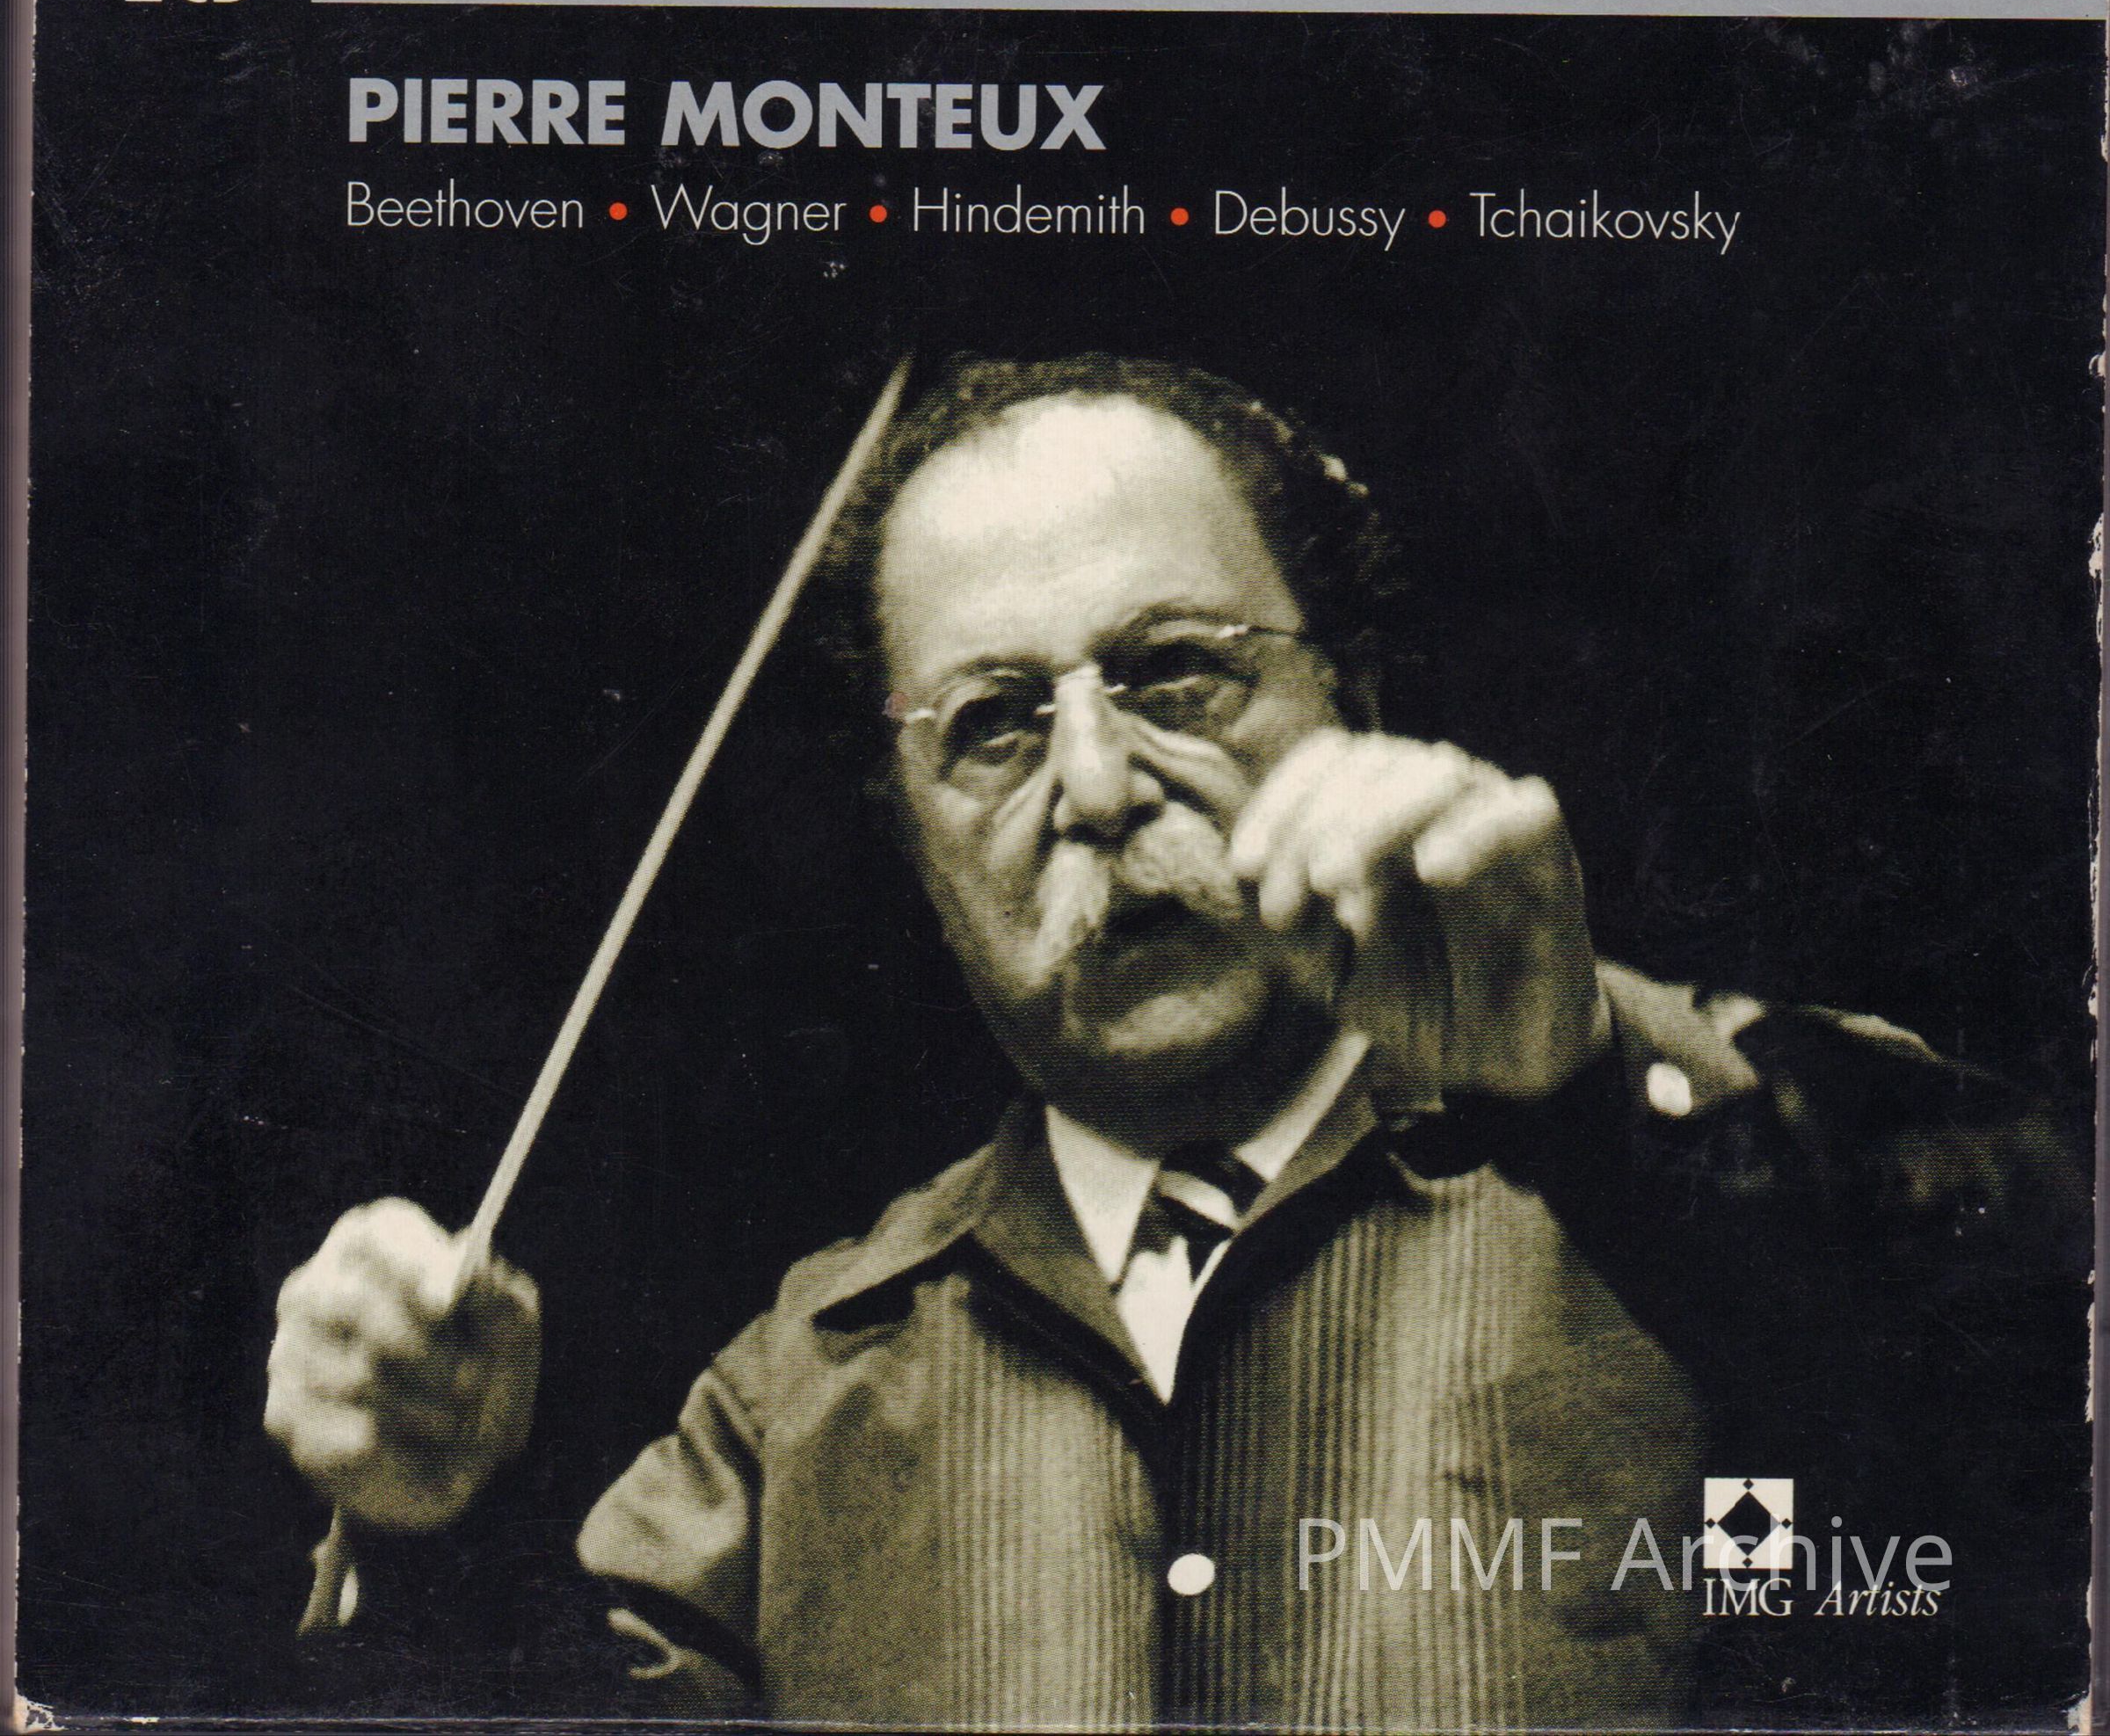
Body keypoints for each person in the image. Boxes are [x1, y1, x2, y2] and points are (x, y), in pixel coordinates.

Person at [265, 356, 2088, 1729]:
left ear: (1350, 697)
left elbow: (2032, 1341)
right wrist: (426, 1531)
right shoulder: (787, 1408)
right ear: (912, 838)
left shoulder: (1674, 1136)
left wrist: (1591, 1081)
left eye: (1174, 673)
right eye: (992, 722)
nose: (1095, 782)